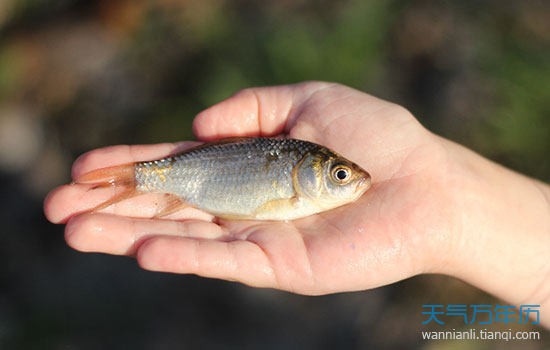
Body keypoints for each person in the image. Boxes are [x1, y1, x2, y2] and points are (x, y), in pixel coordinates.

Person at [44, 82, 550, 327]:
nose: (350, 181)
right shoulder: (289, 181)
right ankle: (125, 180)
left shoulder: (300, 179)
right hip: (199, 177)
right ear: (304, 173)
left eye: (341, 173)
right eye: (339, 174)